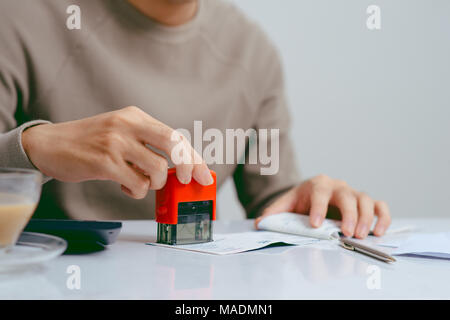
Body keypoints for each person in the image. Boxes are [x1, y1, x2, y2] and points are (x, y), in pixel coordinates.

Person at [0, 0, 390, 239]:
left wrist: (308, 211)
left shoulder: (252, 51)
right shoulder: (17, 17)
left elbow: (272, 201)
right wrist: (33, 148)